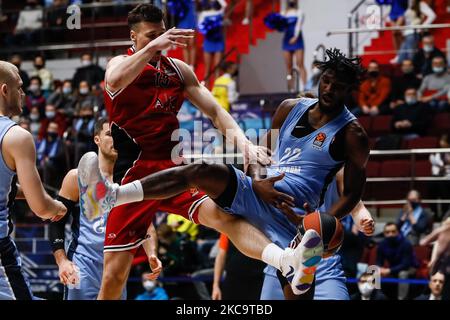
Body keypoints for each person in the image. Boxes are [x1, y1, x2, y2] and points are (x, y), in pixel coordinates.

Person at [79, 47, 370, 299]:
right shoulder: (289, 108)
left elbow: (353, 194)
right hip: (259, 193)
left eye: (338, 86)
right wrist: (257, 181)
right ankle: (113, 195)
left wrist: (322, 222)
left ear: (348, 90)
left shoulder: (352, 133)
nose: (330, 89)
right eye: (327, 81)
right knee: (199, 169)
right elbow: (259, 155)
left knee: (295, 284)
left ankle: (288, 260)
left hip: (295, 218)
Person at [83, 3, 309, 300]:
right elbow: (112, 81)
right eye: (150, 35)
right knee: (114, 277)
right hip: (131, 176)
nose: (159, 40)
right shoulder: (119, 64)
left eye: (162, 33)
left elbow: (215, 111)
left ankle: (286, 260)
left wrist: (245, 144)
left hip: (175, 170)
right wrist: (152, 48)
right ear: (133, 38)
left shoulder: (178, 70)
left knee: (225, 219)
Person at [49, 117, 162, 300]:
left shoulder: (130, 181)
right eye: (109, 134)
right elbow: (56, 221)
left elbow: (145, 225)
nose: (114, 139)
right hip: (83, 264)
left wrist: (152, 254)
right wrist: (62, 261)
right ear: (97, 139)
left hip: (116, 266)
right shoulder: (77, 176)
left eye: (118, 135)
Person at [0, 61, 66, 300]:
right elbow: (41, 208)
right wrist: (59, 206)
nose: (23, 93)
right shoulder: (17, 136)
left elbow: (4, 187)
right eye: (19, 87)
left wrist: (23, 192)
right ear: (4, 90)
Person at [261, 168, 375, 300]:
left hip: (322, 260)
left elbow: (357, 204)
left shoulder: (338, 167)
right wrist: (245, 148)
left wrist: (364, 219)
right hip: (281, 258)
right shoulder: (277, 161)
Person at [212, 233, 265, 300]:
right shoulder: (227, 226)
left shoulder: (262, 226)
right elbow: (221, 255)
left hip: (257, 280)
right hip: (232, 280)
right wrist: (216, 285)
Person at [376, 222, 418, 300]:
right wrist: (379, 269)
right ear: (384, 234)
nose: (390, 234)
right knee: (374, 270)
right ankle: (376, 296)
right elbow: (379, 261)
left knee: (403, 274)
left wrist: (389, 271)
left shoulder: (406, 244)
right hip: (393, 268)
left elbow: (405, 264)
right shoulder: (382, 244)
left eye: (393, 231)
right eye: (387, 232)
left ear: (398, 232)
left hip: (410, 268)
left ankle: (402, 298)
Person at [198, 0, 227, 86]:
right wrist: (208, 29)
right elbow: (200, 28)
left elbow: (224, 5)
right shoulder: (203, 14)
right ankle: (206, 91)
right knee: (207, 69)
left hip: (218, 42)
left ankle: (216, 91)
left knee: (217, 67)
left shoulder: (219, 13)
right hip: (208, 42)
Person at [280, 0, 306, 92]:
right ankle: (291, 88)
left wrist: (295, 37)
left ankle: (305, 86)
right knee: (289, 66)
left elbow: (298, 26)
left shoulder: (299, 12)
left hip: (297, 39)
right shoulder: (283, 13)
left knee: (300, 63)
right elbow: (281, 27)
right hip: (287, 40)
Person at [175, 0, 197, 69]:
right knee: (184, 44)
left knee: (192, 43)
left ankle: (192, 65)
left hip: (192, 19)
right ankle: (187, 65)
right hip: (182, 20)